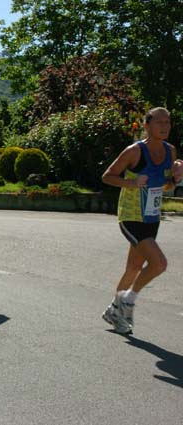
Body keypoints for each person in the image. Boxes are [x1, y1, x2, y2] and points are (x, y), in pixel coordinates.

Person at [101, 107, 183, 334]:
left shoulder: (170, 151)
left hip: (152, 216)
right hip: (131, 216)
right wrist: (132, 183)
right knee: (159, 264)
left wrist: (176, 178)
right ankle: (128, 300)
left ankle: (114, 311)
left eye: (168, 122)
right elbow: (108, 176)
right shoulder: (134, 151)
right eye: (159, 122)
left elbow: (165, 186)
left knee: (134, 268)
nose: (165, 126)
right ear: (147, 125)